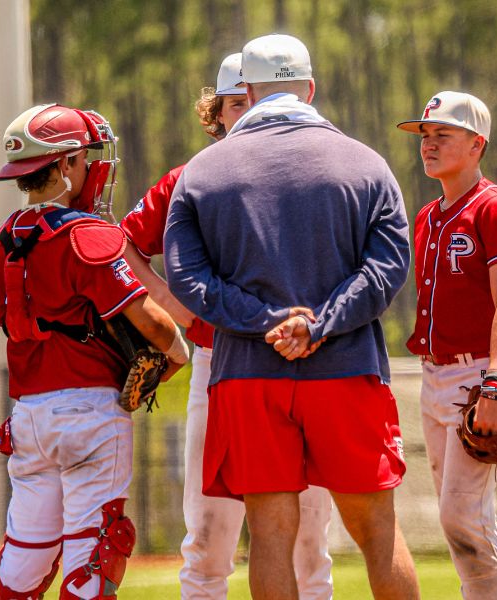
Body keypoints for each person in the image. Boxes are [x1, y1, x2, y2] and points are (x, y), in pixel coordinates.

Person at [164, 34, 420, 600]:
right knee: (379, 533)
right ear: (310, 88)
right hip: (347, 370)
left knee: (272, 537)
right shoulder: (368, 165)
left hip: (249, 376)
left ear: (248, 93)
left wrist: (265, 320)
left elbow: (187, 280)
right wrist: (319, 323)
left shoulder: (201, 173)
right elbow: (388, 269)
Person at [118, 52, 333, 599]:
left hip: (305, 363)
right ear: (216, 114)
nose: (249, 112)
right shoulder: (190, 177)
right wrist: (170, 303)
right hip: (221, 365)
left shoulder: (310, 168)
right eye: (237, 103)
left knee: (310, 542)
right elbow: (121, 244)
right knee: (209, 536)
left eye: (254, 99)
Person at [0, 104, 189, 599]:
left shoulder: (9, 238)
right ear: (66, 164)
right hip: (90, 414)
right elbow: (154, 324)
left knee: (24, 559)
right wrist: (177, 355)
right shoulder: (87, 235)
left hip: (29, 416)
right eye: (85, 157)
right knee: (93, 557)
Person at [397, 90, 497, 599]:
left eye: (442, 135)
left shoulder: (495, 208)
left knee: (462, 519)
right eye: (425, 136)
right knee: (460, 522)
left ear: (477, 144)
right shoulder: (429, 215)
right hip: (436, 374)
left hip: (479, 374)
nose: (428, 145)